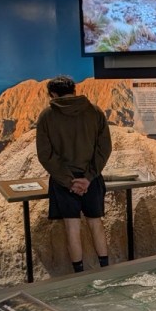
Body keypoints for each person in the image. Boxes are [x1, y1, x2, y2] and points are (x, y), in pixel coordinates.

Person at [36, 76, 112, 273]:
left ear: (52, 94)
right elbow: (104, 148)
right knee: (96, 223)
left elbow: (45, 155)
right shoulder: (94, 112)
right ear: (74, 90)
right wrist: (88, 177)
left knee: (72, 227)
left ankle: (79, 275)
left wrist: (69, 181)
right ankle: (106, 270)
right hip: (92, 181)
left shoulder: (46, 116)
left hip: (63, 183)